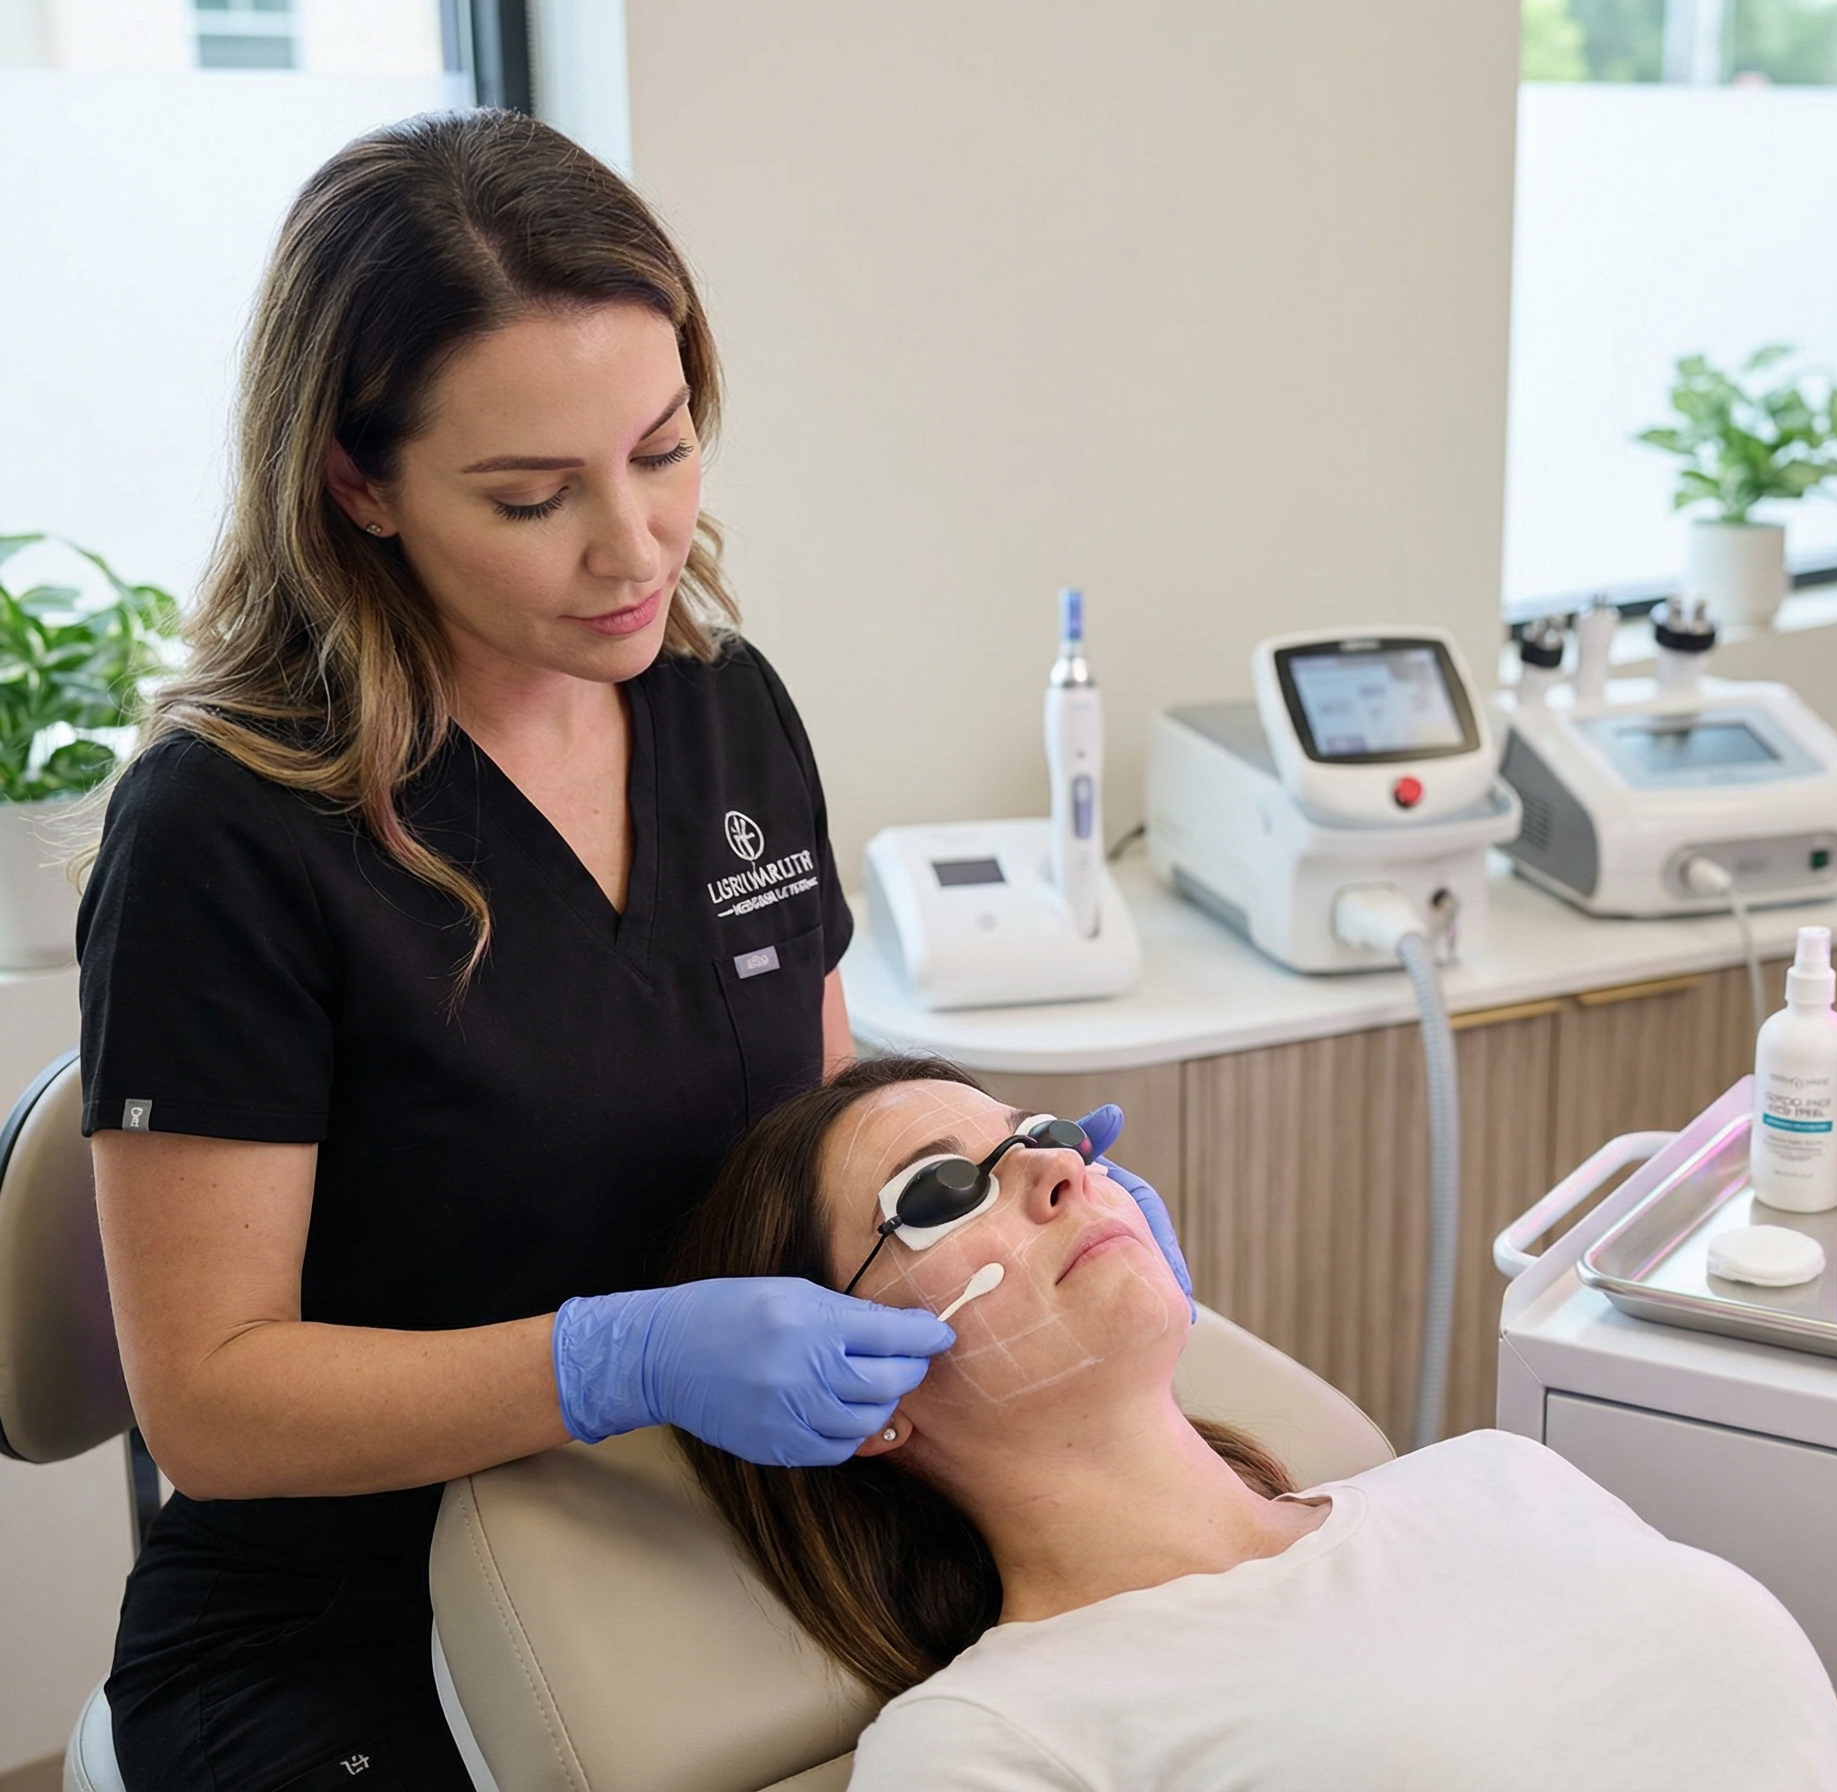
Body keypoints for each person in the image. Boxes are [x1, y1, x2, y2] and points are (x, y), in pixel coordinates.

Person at [74, 110, 1189, 1792]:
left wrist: (1010, 1176)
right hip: (348, 1611)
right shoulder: (225, 833)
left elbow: (821, 1129)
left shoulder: (721, 713)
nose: (637, 546)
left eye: (664, 451)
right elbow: (212, 1406)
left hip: (723, 1523)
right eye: (533, 496)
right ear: (356, 483)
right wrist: (620, 1356)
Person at [673, 1057, 1837, 1792]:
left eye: (1041, 1137)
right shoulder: (996, 1740)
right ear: (853, 1387)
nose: (1061, 1169)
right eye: (942, 1192)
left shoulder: (1498, 1475)